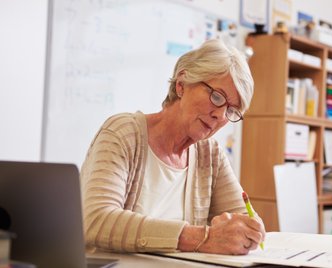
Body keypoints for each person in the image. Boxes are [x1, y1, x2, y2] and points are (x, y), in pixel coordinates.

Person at [80, 38, 265, 255]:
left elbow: (243, 218)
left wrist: (247, 230)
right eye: (216, 97)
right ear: (181, 84)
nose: (220, 115)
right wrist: (202, 238)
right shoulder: (123, 133)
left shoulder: (210, 154)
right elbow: (96, 220)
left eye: (231, 111)